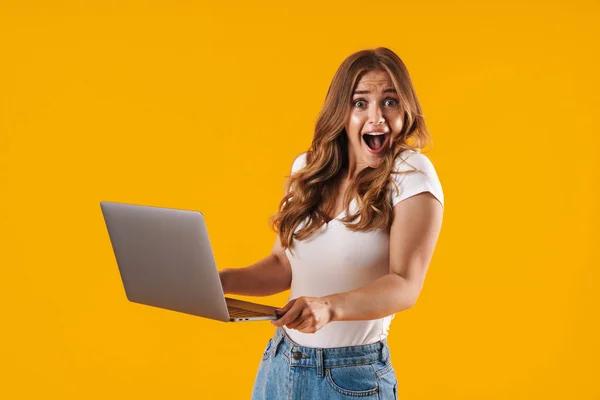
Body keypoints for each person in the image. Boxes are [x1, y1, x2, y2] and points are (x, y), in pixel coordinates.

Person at [219, 47, 444, 400]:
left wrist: (329, 306)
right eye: (360, 103)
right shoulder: (309, 169)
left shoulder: (411, 175)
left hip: (351, 378)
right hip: (280, 363)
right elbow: (282, 265)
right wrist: (217, 282)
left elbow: (405, 285)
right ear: (341, 110)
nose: (377, 118)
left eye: (390, 102)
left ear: (406, 110)